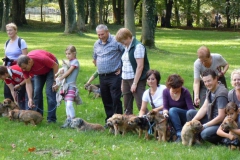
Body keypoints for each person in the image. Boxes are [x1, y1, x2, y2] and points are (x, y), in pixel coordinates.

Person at [187, 69, 228, 145]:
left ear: (216, 78)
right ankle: (195, 138)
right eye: (205, 81)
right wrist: (192, 121)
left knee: (205, 134)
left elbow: (221, 117)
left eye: (209, 81)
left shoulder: (221, 93)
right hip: (210, 117)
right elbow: (204, 108)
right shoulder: (210, 89)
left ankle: (223, 140)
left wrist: (204, 126)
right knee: (190, 113)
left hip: (219, 124)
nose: (207, 84)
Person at [93, 24, 124, 122]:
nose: (101, 37)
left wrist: (122, 67)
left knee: (115, 98)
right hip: (102, 76)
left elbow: (126, 53)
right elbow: (94, 57)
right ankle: (110, 120)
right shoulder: (96, 44)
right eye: (99, 35)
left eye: (102, 34)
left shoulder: (116, 41)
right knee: (106, 98)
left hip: (114, 75)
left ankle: (118, 120)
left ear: (107, 32)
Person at [17, 50, 59, 123]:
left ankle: (51, 119)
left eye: (25, 67)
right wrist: (30, 98)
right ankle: (38, 116)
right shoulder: (24, 68)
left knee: (49, 92)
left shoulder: (41, 58)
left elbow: (55, 65)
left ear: (30, 62)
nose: (23, 70)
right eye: (22, 68)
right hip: (38, 73)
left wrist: (55, 81)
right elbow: (28, 83)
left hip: (51, 69)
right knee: (37, 93)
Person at [115, 28, 150, 115]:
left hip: (137, 79)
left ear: (128, 37)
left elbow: (140, 66)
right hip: (125, 78)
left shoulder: (138, 47)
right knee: (126, 106)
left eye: (123, 41)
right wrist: (123, 82)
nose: (122, 44)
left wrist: (135, 83)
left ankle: (150, 124)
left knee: (140, 105)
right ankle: (128, 126)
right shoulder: (126, 47)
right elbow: (125, 64)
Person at [162, 74, 195, 142]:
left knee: (173, 110)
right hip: (173, 116)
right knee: (171, 111)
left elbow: (191, 109)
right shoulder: (165, 92)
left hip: (185, 116)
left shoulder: (185, 92)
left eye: (178, 88)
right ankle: (177, 134)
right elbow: (165, 107)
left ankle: (181, 134)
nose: (176, 91)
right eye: (174, 89)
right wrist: (165, 113)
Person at [54, 45, 80, 128]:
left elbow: (69, 72)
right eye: (66, 54)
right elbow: (64, 70)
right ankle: (68, 120)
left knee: (69, 104)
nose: (67, 55)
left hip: (71, 86)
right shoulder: (67, 63)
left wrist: (61, 77)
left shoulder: (75, 62)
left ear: (74, 53)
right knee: (66, 104)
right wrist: (60, 73)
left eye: (69, 54)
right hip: (64, 86)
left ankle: (73, 121)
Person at [3, 23, 28, 101]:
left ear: (15, 30)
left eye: (10, 30)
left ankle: (21, 108)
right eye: (7, 30)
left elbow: (25, 57)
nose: (9, 32)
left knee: (20, 92)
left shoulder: (21, 41)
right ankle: (9, 110)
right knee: (8, 92)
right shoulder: (7, 43)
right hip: (8, 70)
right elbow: (6, 57)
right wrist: (3, 68)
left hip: (18, 69)